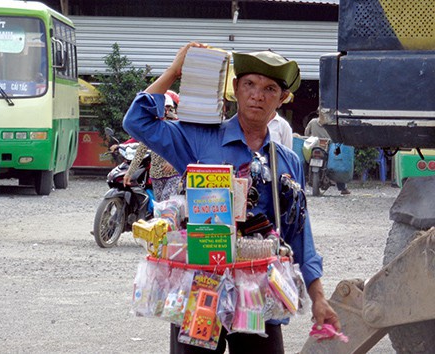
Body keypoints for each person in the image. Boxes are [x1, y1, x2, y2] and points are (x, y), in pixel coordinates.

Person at [123, 42, 340, 353]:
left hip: (259, 290)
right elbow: (137, 122)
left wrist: (318, 297)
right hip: (201, 285)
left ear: (282, 99)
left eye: (269, 88)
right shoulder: (197, 138)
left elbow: (298, 232)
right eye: (249, 84)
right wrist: (175, 71)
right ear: (236, 88)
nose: (257, 94)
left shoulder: (288, 162)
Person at [123, 93, 182, 202]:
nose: (167, 111)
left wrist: (172, 162)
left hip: (174, 174)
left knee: (166, 203)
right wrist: (129, 173)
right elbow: (140, 152)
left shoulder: (175, 125)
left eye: (169, 108)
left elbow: (181, 146)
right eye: (165, 108)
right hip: (156, 174)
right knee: (159, 206)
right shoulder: (150, 128)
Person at [304, 114, 351, 195]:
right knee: (338, 163)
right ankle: (343, 188)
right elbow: (337, 136)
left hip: (313, 148)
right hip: (328, 148)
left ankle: (301, 185)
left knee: (305, 163)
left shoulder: (313, 122)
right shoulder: (331, 123)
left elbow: (306, 134)